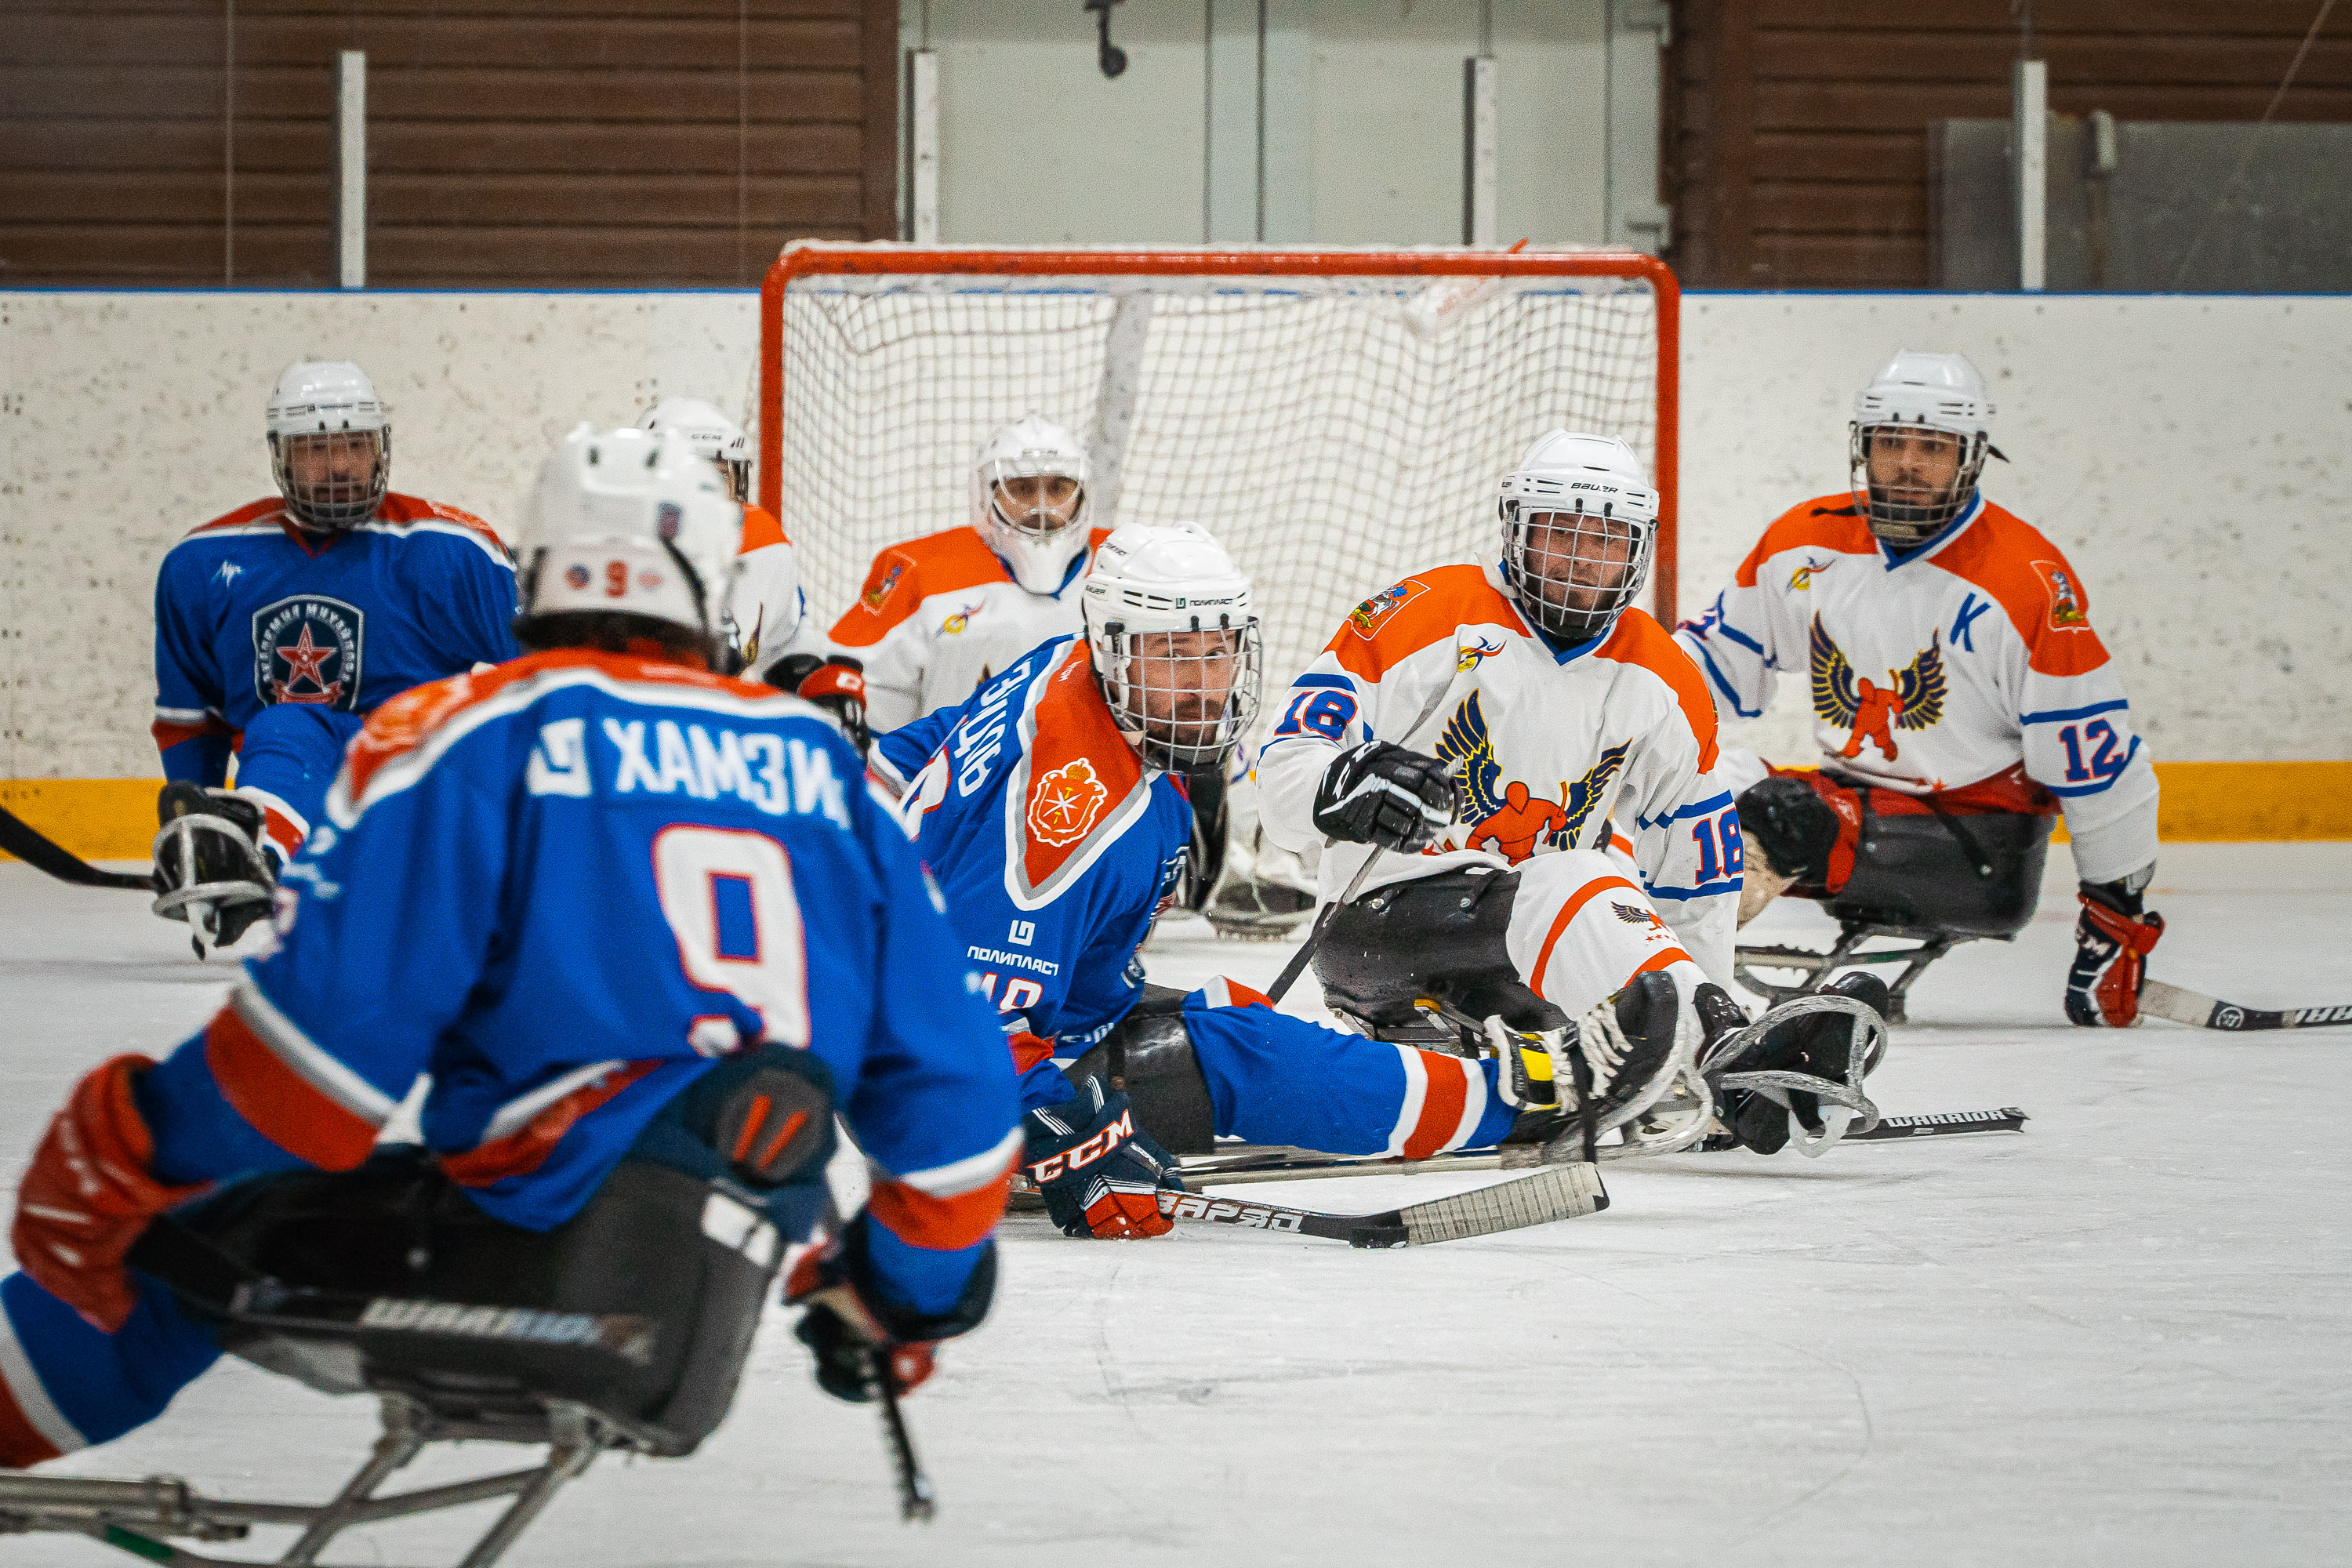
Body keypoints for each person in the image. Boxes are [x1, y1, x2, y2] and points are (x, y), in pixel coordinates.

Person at [0, 425, 1019, 1469]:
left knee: (162, 1255)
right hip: (701, 1303)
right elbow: (962, 1115)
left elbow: (316, 1074)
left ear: (538, 571)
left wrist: (138, 1143)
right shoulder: (828, 775)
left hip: (537, 1262)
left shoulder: (464, 734)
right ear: (714, 586)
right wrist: (902, 1294)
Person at [1253, 431, 1886, 1158]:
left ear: (1638, 550)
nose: (1582, 562)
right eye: (1560, 534)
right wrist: (1343, 787)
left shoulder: (1664, 674)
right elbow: (1287, 767)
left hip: (1539, 957)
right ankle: (1735, 1058)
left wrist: (1703, 1005)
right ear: (1514, 527)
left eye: (1607, 541)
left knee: (1604, 874)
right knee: (1582, 873)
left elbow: (1696, 876)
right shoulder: (1425, 615)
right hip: (1383, 931)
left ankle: (1725, 1057)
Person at [1675, 350, 2163, 1026]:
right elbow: (1710, 667)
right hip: (1856, 803)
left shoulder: (2024, 582)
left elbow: (2100, 765)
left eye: (1932, 447)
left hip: (1978, 845)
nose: (1907, 463)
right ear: (1862, 447)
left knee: (1782, 815)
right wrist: (1612, 725)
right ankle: (1623, 952)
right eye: (1891, 442)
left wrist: (2117, 924)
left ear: (1972, 456)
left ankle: (1677, 998)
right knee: (1684, 788)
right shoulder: (1805, 544)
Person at [148, 361, 517, 953]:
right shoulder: (203, 564)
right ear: (281, 456)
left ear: (381, 449)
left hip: (419, 783)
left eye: (354, 444)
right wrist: (191, 837)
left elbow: (540, 689)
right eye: (316, 449)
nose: (341, 465)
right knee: (285, 719)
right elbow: (191, 719)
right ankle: (250, 859)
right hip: (295, 777)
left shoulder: (455, 554)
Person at [637, 396, 815, 682]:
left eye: (722, 478)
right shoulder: (615, 540)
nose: (713, 496)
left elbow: (777, 650)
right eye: (696, 477)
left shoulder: (760, 539)